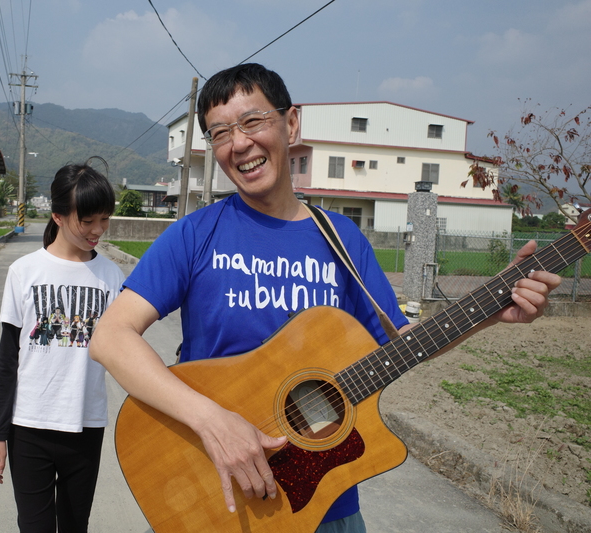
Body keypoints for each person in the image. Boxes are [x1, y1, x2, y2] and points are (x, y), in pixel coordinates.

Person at [89, 63, 561, 532]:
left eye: (253, 121)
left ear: (290, 123)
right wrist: (214, 422)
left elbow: (400, 342)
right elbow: (110, 337)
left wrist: (490, 311)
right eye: (220, 133)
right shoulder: (195, 235)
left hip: (321, 501)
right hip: (218, 493)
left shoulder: (342, 240)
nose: (239, 144)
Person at [0, 158, 125, 533]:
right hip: (29, 426)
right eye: (88, 221)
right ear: (59, 216)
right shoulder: (24, 272)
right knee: (35, 526)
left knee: (76, 525)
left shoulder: (112, 276)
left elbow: (125, 354)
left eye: (104, 220)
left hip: (85, 424)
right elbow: (7, 361)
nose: (98, 230)